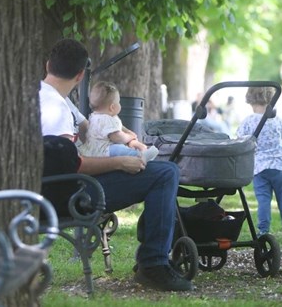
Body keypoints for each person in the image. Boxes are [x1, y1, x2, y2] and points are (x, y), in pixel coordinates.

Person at [40, 39, 192, 292]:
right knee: (165, 173)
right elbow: (69, 166)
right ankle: (153, 264)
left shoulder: (47, 95)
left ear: (48, 66)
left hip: (52, 188)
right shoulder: (55, 109)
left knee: (161, 172)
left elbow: (83, 126)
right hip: (68, 194)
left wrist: (95, 129)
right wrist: (119, 162)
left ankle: (153, 255)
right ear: (80, 76)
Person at [236, 87, 282, 236]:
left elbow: (240, 138)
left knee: (263, 200)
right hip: (279, 166)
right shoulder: (277, 120)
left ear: (250, 101)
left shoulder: (248, 121)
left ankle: (263, 230)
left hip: (259, 167)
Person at [79, 81, 159, 162]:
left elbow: (119, 127)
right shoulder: (106, 119)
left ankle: (142, 149)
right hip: (103, 151)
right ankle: (140, 156)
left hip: (94, 150)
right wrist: (129, 136)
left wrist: (128, 132)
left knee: (122, 146)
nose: (120, 105)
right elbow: (118, 137)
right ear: (112, 107)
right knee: (119, 149)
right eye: (119, 102)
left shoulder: (94, 116)